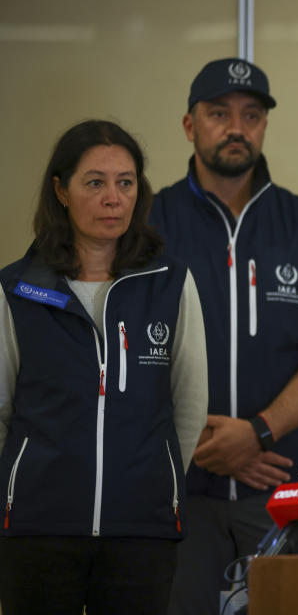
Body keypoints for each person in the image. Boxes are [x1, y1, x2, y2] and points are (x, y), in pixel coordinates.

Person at [149, 59, 298, 613]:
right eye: (219, 113)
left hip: (288, 490)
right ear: (190, 125)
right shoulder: (146, 223)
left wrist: (258, 433)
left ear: (264, 125)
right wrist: (201, 441)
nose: (236, 127)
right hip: (176, 495)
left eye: (251, 114)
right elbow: (121, 354)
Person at [0, 120, 207, 614]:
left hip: (142, 531)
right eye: (95, 182)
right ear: (61, 191)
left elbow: (190, 403)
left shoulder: (170, 283)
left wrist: (149, 476)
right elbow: (2, 409)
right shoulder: (16, 290)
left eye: (126, 182)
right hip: (38, 529)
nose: (113, 197)